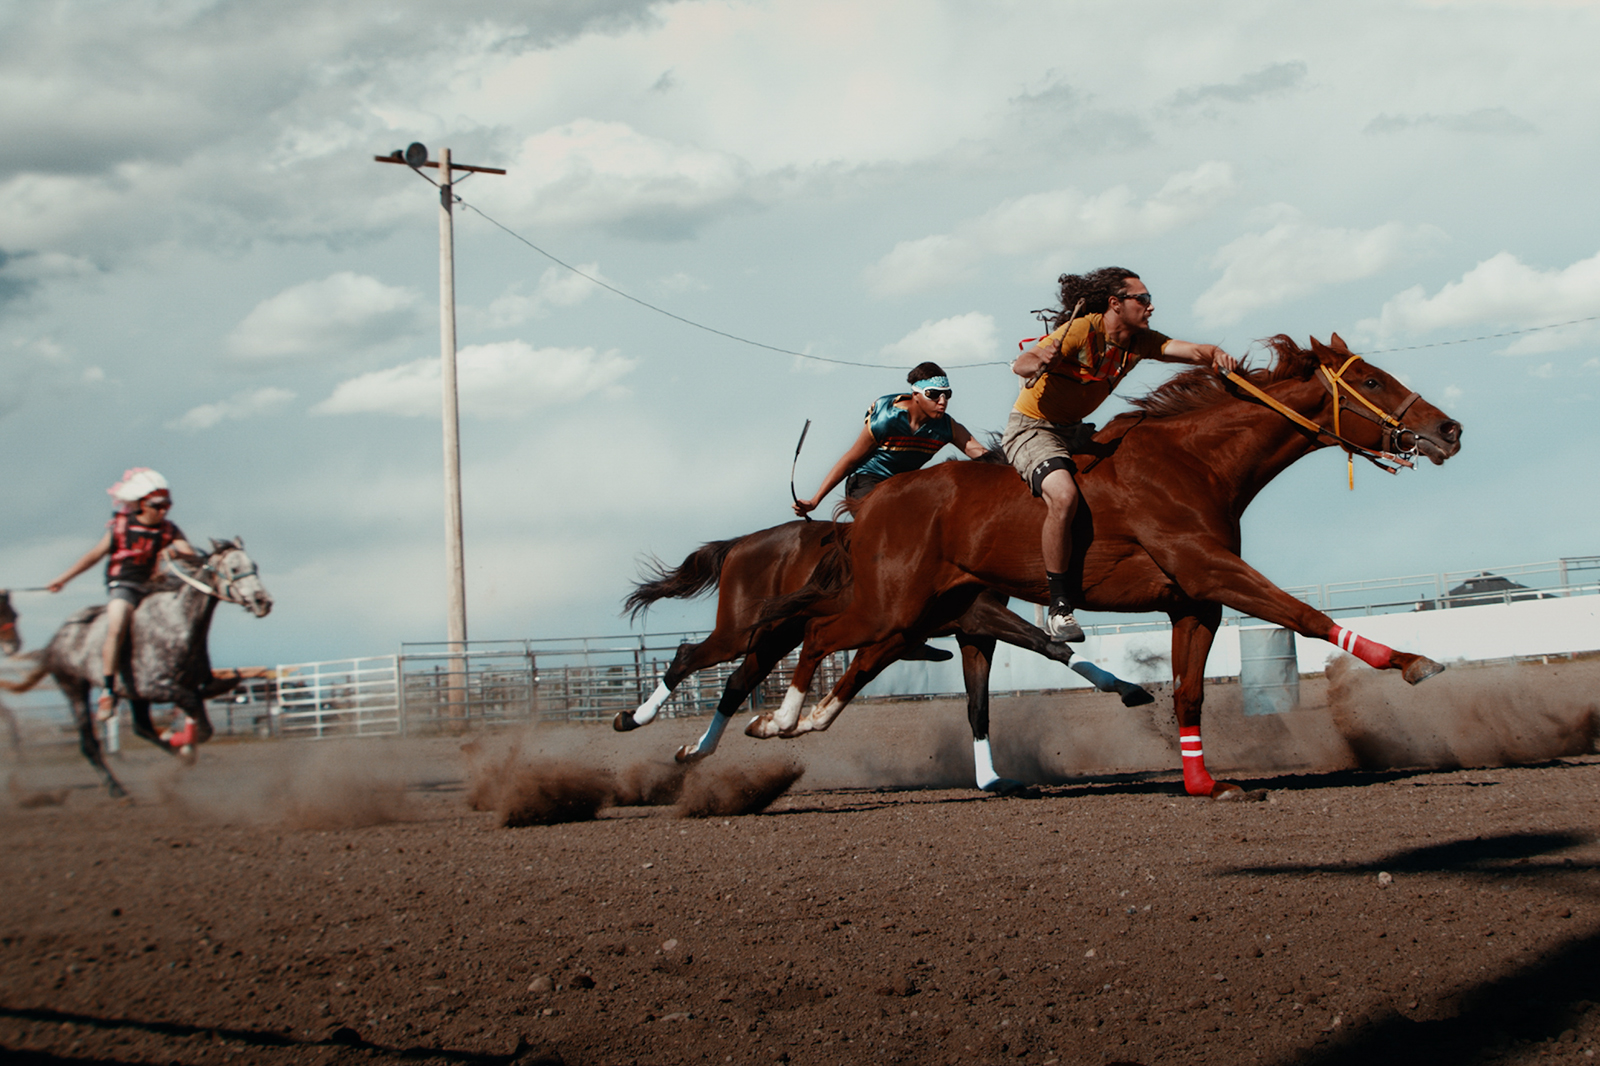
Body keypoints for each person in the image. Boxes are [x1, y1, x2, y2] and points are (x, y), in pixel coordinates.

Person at [1005, 267, 1238, 642]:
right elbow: (1022, 364)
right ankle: (1059, 607)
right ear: (1116, 304)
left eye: (1149, 300)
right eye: (1142, 299)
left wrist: (1215, 354)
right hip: (1033, 429)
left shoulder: (1139, 341)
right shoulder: (1082, 330)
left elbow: (1190, 350)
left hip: (1075, 432)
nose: (1150, 307)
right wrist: (1038, 360)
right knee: (1063, 496)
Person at [47, 469, 200, 721]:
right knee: (117, 622)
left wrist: (177, 553)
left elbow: (189, 552)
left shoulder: (169, 529)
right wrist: (62, 579)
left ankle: (198, 675)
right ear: (142, 504)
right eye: (158, 505)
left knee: (188, 613)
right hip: (125, 584)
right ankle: (108, 690)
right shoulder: (121, 527)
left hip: (154, 586)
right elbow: (93, 556)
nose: (164, 511)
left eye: (167, 505)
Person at [793, 361, 990, 516]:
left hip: (903, 487)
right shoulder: (886, 420)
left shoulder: (948, 427)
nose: (942, 401)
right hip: (867, 481)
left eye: (947, 395)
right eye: (934, 394)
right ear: (916, 395)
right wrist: (815, 501)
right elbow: (850, 460)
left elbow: (984, 457)